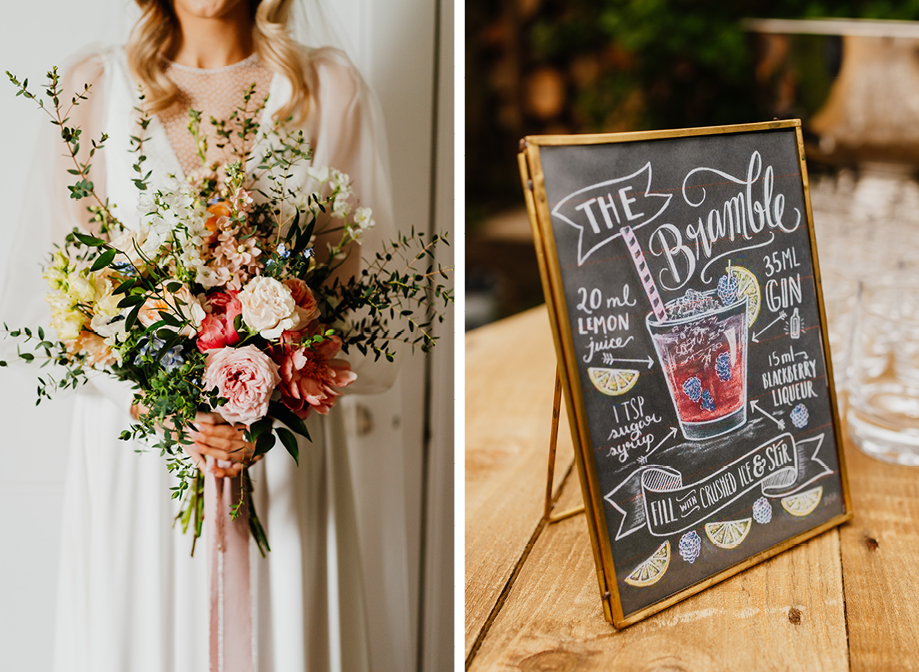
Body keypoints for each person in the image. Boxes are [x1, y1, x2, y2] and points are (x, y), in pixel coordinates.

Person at [4, 0, 401, 670]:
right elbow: (68, 292)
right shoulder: (92, 87)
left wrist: (265, 397)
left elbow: (345, 292)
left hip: (274, 449)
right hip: (138, 454)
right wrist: (167, 405)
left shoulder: (328, 89)